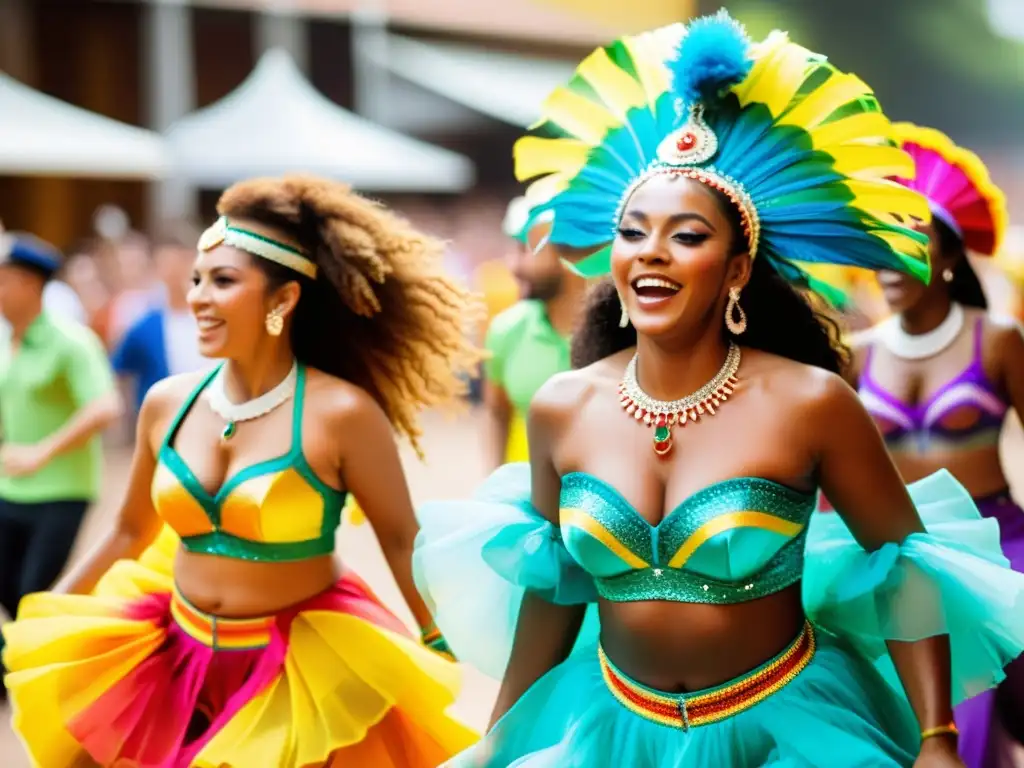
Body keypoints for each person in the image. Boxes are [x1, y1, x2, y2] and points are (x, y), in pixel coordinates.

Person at [413, 13, 1024, 767]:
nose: (651, 254)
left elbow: (903, 567)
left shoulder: (811, 404)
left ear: (737, 270)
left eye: (687, 236)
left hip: (785, 730)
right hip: (615, 734)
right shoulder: (562, 406)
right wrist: (499, 737)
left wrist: (936, 738)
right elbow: (554, 586)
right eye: (633, 232)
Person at [2, 175, 480, 766]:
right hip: (170, 659)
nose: (198, 297)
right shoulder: (166, 403)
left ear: (282, 300)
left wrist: (440, 645)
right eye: (196, 280)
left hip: (298, 675)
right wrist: (45, 615)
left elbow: (401, 538)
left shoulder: (342, 415)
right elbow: (130, 531)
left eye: (223, 281)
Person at [848, 123, 1024, 766]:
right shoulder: (856, 357)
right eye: (882, 241)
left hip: (1000, 548)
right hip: (900, 555)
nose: (892, 259)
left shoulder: (997, 339)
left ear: (949, 254)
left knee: (967, 726)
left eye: (912, 238)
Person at [0, 231, 122, 700]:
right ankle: (22, 667)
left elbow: (105, 406)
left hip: (62, 490)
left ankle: (55, 674)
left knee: (34, 591)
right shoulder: (6, 339)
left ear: (31, 285)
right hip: (10, 488)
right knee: (12, 591)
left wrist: (41, 451)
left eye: (6, 280)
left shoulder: (71, 342)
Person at [482, 198, 588, 469]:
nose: (512, 266)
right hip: (527, 502)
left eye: (524, 250)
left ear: (569, 253)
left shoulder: (623, 335)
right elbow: (497, 413)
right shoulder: (506, 330)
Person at [112, 225, 212, 416]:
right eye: (166, 264)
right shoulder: (145, 325)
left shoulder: (215, 318)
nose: (173, 272)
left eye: (180, 263)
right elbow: (119, 373)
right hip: (162, 424)